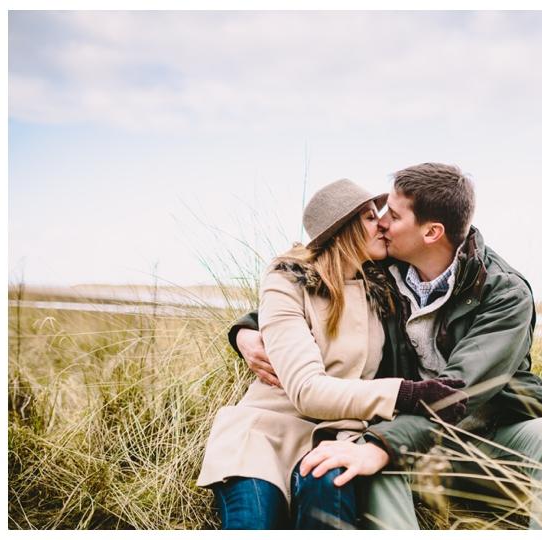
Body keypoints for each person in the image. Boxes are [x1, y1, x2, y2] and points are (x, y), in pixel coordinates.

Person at [231, 163, 542, 529]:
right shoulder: (385, 269)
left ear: (432, 232)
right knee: (368, 457)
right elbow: (309, 291)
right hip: (402, 429)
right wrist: (245, 330)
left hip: (482, 431)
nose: (383, 222)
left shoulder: (503, 293)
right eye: (382, 212)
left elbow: (455, 394)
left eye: (395, 215)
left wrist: (381, 446)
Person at [197, 178, 469, 530]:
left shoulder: (386, 283)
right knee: (254, 523)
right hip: (266, 434)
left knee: (326, 497)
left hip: (340, 435)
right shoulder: (287, 282)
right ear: (344, 228)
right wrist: (407, 394)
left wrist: (245, 328)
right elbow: (306, 390)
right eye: (371, 217)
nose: (383, 224)